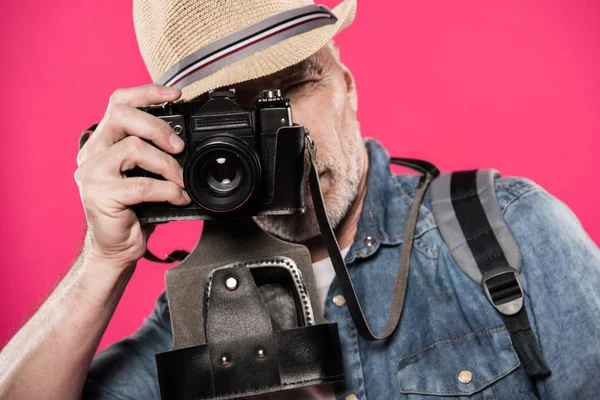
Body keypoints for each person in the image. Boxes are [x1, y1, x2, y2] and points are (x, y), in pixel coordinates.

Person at [1, 0, 599, 399]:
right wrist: (101, 264)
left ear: (347, 85)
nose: (285, 136)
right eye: (239, 110)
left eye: (291, 87)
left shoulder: (506, 230)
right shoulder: (202, 304)